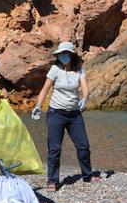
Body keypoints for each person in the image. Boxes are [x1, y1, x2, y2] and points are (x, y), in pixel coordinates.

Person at [31, 41, 94, 192]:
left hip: (74, 115)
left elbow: (85, 88)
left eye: (66, 54)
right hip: (56, 113)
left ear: (72, 55)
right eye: (61, 54)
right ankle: (52, 180)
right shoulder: (55, 69)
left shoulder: (79, 70)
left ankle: (87, 175)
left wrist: (84, 98)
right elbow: (45, 88)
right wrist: (38, 106)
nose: (63, 57)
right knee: (54, 148)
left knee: (83, 146)